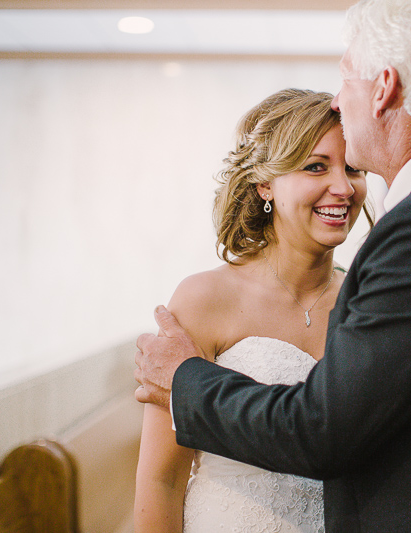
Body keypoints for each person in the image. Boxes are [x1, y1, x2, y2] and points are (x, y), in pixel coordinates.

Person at [135, 0, 411, 531]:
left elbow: (324, 429)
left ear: (383, 88)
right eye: (313, 167)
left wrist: (185, 381)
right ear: (266, 185)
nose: (336, 97)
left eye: (345, 76)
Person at [133, 88, 368, 532]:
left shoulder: (366, 301)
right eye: (316, 166)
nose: (343, 187)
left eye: (353, 167)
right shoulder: (206, 299)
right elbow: (160, 482)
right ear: (265, 184)